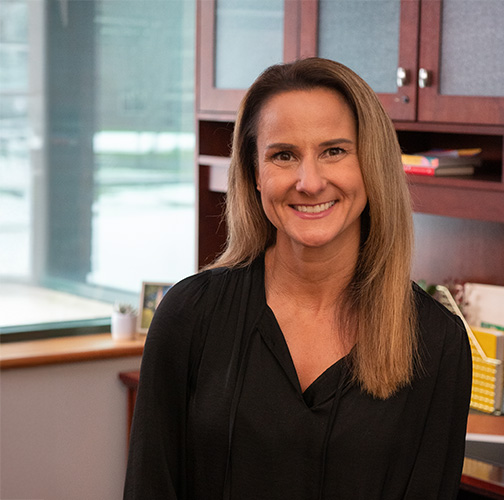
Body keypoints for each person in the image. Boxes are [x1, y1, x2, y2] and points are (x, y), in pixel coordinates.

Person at [124, 57, 472, 499]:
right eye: (283, 155)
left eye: (334, 151)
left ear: (371, 165)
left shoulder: (436, 342)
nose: (309, 182)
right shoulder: (190, 315)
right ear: (254, 174)